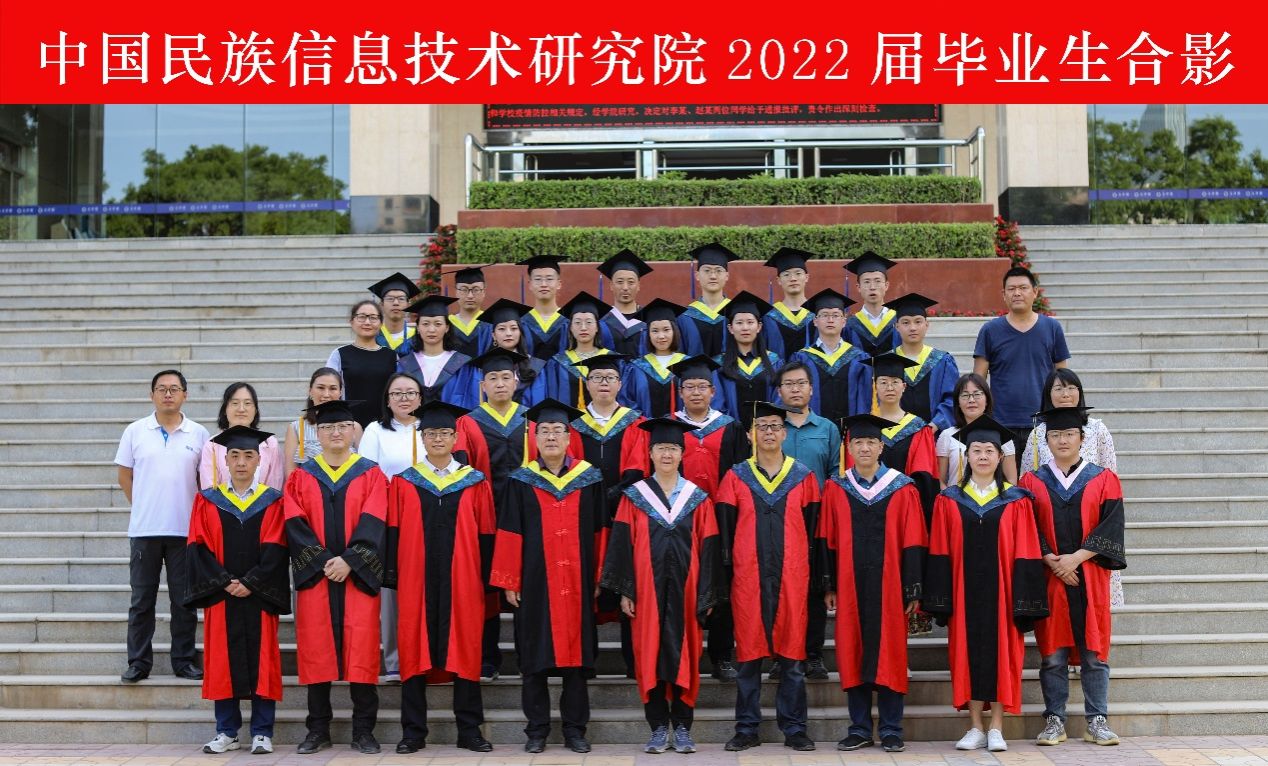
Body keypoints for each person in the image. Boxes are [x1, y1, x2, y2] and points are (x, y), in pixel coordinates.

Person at [923, 416, 1049, 754]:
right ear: (966, 455)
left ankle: (996, 727)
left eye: (989, 451)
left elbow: (1026, 551)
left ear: (999, 456)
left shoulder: (1017, 500)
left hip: (1003, 594)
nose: (982, 456)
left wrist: (1024, 599)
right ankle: (975, 726)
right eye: (976, 450)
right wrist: (941, 599)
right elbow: (939, 550)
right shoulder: (949, 500)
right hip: (963, 594)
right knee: (966, 655)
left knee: (1003, 655)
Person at [490, 399, 608, 754]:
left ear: (570, 437)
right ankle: (537, 731)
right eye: (544, 431)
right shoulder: (521, 480)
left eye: (558, 430)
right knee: (534, 659)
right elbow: (509, 530)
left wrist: (599, 575)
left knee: (576, 661)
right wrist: (510, 580)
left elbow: (601, 530)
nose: (552, 436)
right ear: (534, 437)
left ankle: (575, 730)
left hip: (578, 581)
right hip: (535, 583)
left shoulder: (589, 478)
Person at [600, 418, 723, 755]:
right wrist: (625, 590)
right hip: (645, 591)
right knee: (649, 654)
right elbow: (622, 545)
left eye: (672, 448)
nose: (667, 454)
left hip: (688, 590)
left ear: (682, 454)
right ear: (650, 453)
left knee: (686, 656)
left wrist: (707, 593)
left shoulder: (698, 499)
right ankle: (657, 727)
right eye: (660, 448)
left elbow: (709, 547)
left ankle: (682, 727)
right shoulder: (634, 497)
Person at [386, 401, 497, 754]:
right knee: (413, 648)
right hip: (415, 581)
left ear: (455, 438)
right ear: (422, 438)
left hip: (464, 580)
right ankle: (413, 732)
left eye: (445, 433)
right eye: (431, 433)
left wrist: (486, 580)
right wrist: (394, 577)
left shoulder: (474, 482)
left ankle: (470, 730)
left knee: (465, 648)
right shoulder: (404, 482)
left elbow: (487, 533)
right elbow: (392, 532)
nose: (438, 438)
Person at [283, 399, 388, 755]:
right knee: (317, 652)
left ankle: (364, 731)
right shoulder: (302, 477)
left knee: (362, 651)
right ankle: (318, 730)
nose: (336, 433)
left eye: (342, 426)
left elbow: (376, 520)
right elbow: (294, 523)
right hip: (318, 577)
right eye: (327, 427)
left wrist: (351, 561)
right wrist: (326, 562)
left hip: (358, 577)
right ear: (318, 433)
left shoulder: (371, 474)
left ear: (353, 431)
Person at [818, 414, 928, 754]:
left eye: (870, 442)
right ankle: (860, 728)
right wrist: (829, 585)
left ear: (881, 447)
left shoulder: (903, 487)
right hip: (850, 586)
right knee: (852, 651)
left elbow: (914, 539)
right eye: (858, 442)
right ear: (848, 448)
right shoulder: (836, 488)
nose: (864, 448)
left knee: (891, 652)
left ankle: (892, 729)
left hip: (891, 587)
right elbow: (826, 538)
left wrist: (913, 586)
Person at [716, 401, 821, 753]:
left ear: (785, 433)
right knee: (748, 658)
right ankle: (747, 728)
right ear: (750, 435)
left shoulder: (803, 477)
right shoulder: (735, 477)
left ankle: (795, 728)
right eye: (762, 427)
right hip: (748, 578)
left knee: (792, 659)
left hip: (792, 577)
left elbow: (814, 532)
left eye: (775, 426)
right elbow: (725, 534)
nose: (769, 432)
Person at [1019, 406, 1126, 748]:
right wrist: (1051, 561)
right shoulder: (1031, 482)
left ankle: (1097, 720)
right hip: (1051, 579)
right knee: (1052, 654)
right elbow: (1025, 526)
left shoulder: (1103, 479)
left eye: (1069, 434)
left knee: (1094, 652)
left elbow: (1111, 525)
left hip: (1090, 576)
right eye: (1055, 435)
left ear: (1082, 438)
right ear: (1046, 440)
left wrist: (1076, 559)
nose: (1062, 440)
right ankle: (1054, 721)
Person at [184, 426, 290, 756]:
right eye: (235, 456)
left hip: (260, 596)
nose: (241, 462)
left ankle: (262, 732)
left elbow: (277, 547)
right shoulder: (207, 500)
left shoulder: (273, 501)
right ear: (225, 461)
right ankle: (227, 731)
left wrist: (251, 582)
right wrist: (224, 581)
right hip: (222, 595)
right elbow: (198, 546)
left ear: (259, 460)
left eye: (248, 455)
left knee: (263, 662)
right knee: (221, 662)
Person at [114, 369, 209, 683]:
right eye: (162, 389)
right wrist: (143, 504)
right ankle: (139, 663)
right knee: (142, 601)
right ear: (152, 394)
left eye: (174, 389)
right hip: (145, 531)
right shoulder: (135, 431)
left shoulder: (199, 434)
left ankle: (183, 661)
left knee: (184, 602)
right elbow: (124, 476)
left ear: (185, 395)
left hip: (185, 531)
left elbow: (205, 480)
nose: (168, 394)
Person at [456, 347, 543, 680]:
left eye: (506, 377)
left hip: (527, 520)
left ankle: (528, 658)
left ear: (516, 381)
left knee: (527, 586)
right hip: (486, 520)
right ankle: (487, 657)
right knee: (486, 590)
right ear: (483, 385)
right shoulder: (468, 423)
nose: (500, 383)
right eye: (493, 378)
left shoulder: (532, 420)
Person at [669, 355, 749, 682]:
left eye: (702, 387)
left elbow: (743, 474)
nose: (696, 392)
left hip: (722, 521)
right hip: (677, 520)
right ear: (680, 392)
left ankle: (721, 656)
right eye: (689, 387)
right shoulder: (669, 428)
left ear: (713, 392)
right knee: (679, 584)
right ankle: (679, 654)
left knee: (721, 586)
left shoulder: (730, 427)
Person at [1020, 368, 1123, 607]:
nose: (1065, 394)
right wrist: (1052, 559)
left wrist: (1077, 558)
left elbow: (1110, 472)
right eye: (1058, 388)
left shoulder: (1097, 430)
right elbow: (1027, 488)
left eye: (1070, 387)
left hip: (1090, 538)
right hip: (1051, 545)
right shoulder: (1037, 436)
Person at [356, 373, 426, 684]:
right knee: (392, 591)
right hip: (389, 519)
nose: (404, 398)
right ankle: (395, 659)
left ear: (420, 397)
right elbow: (367, 475)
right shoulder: (376, 430)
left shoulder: (431, 428)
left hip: (427, 518)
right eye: (397, 393)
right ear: (387, 399)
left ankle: (426, 655)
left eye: (410, 392)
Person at [773, 360, 841, 681]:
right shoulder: (770, 426)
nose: (795, 389)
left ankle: (813, 654)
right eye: (789, 384)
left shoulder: (827, 429)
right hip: (777, 518)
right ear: (779, 391)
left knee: (815, 587)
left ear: (811, 389)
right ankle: (781, 655)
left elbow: (835, 474)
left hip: (815, 519)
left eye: (801, 383)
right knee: (780, 588)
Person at [973, 266, 1071, 456]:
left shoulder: (1052, 328)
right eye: (1011, 289)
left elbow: (1063, 377)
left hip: (1043, 423)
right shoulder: (990, 330)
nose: (1017, 293)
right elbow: (978, 381)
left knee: (1041, 475)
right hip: (1000, 423)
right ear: (1003, 294)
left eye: (1023, 288)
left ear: (1035, 292)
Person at [543, 291, 634, 409]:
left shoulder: (615, 360)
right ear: (570, 328)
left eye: (589, 322)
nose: (583, 327)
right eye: (577, 323)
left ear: (597, 327)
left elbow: (624, 399)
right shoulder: (557, 363)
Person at [789, 288, 867, 426]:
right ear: (815, 321)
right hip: (812, 432)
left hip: (850, 432)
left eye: (836, 315)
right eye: (824, 315)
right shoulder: (801, 358)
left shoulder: (859, 359)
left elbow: (864, 400)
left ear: (844, 321)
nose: (830, 320)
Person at [887, 293, 959, 433]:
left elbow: (952, 398)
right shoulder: (887, 361)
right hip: (894, 436)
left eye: (918, 322)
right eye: (906, 322)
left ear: (927, 325)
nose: (912, 328)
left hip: (933, 435)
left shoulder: (941, 361)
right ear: (896, 326)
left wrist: (934, 426)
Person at [936, 373, 1019, 488]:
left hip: (994, 498)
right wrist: (949, 497)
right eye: (965, 395)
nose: (971, 400)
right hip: (954, 497)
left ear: (987, 400)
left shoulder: (1001, 434)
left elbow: (1011, 480)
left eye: (977, 394)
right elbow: (940, 480)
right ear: (958, 402)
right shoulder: (947, 435)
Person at [326, 300, 400, 428]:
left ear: (381, 323)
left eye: (373, 318)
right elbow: (329, 389)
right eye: (361, 317)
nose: (367, 322)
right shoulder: (340, 354)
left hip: (384, 425)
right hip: (349, 424)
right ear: (351, 321)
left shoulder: (391, 356)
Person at [397, 294, 479, 408]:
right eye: (425, 324)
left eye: (438, 324)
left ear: (447, 328)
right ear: (418, 328)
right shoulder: (404, 364)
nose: (431, 329)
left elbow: (470, 400)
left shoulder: (462, 364)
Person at [714, 291, 781, 432]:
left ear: (759, 327)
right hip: (732, 434)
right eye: (739, 323)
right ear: (730, 328)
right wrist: (735, 432)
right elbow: (718, 404)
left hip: (768, 434)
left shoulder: (774, 362)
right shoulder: (719, 365)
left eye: (750, 322)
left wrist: (766, 428)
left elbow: (779, 400)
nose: (745, 327)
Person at [199, 382, 284, 491]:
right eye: (235, 403)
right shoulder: (213, 445)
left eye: (247, 403)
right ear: (225, 409)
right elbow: (209, 489)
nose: (241, 409)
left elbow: (275, 486)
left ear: (255, 410)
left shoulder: (270, 444)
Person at [283, 368, 360, 479]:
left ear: (340, 392)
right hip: (307, 487)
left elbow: (361, 467)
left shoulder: (354, 427)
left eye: (333, 388)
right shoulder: (296, 428)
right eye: (321, 388)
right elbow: (291, 473)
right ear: (310, 391)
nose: (326, 394)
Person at [626, 298, 688, 418]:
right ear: (648, 334)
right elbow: (629, 404)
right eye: (655, 331)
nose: (661, 336)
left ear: (674, 331)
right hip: (644, 429)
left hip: (682, 429)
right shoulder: (636, 368)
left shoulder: (688, 363)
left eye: (666, 330)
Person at [677, 242, 739, 358]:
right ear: (697, 275)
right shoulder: (684, 317)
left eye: (718, 271)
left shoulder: (737, 313)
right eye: (707, 271)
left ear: (727, 276)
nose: (713, 276)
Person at [483, 297, 548, 405]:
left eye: (513, 328)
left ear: (520, 333)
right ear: (493, 335)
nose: (508, 333)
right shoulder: (483, 366)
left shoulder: (535, 366)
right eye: (502, 329)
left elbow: (538, 400)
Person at [761, 247, 817, 359]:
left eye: (798, 273)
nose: (793, 279)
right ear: (779, 280)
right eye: (786, 275)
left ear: (806, 277)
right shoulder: (768, 316)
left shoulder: (818, 313)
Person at [598, 248, 653, 356]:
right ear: (611, 285)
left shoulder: (649, 318)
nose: (625, 287)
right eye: (619, 282)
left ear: (639, 286)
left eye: (631, 282)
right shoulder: (601, 320)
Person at [844, 252, 898, 356]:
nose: (872, 287)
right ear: (858, 287)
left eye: (877, 281)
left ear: (886, 285)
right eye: (867, 282)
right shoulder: (850, 326)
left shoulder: (899, 321)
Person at [517, 255, 570, 361]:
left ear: (559, 284)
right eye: (538, 279)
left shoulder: (570, 320)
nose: (544, 284)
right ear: (530, 284)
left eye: (549, 279)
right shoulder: (520, 321)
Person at [367, 272, 421, 353]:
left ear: (408, 305)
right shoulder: (371, 336)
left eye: (401, 299)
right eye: (390, 298)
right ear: (381, 304)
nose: (396, 303)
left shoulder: (417, 337)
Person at [447, 266, 491, 358]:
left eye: (476, 290)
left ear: (484, 292)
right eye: (464, 290)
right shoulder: (447, 324)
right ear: (456, 292)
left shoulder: (491, 323)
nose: (470, 296)